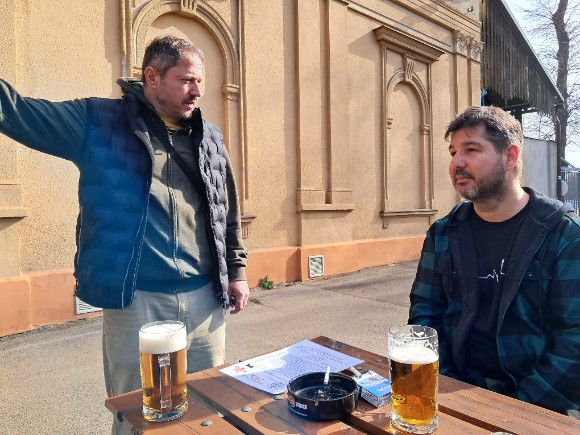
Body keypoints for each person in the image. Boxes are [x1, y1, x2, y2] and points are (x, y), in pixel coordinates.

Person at [0, 35, 250, 433]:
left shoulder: (210, 137)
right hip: (137, 302)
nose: (197, 91)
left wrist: (236, 271)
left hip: (206, 299)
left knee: (205, 414)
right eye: (186, 80)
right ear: (152, 77)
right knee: (139, 415)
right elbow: (17, 113)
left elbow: (226, 210)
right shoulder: (98, 122)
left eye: (200, 81)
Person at [409, 105, 580, 415]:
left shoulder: (565, 235)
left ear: (510, 156)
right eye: (453, 152)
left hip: (542, 405)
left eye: (471, 150)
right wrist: (446, 388)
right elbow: (425, 315)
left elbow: (575, 341)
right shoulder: (443, 233)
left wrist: (514, 411)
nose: (457, 163)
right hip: (454, 391)